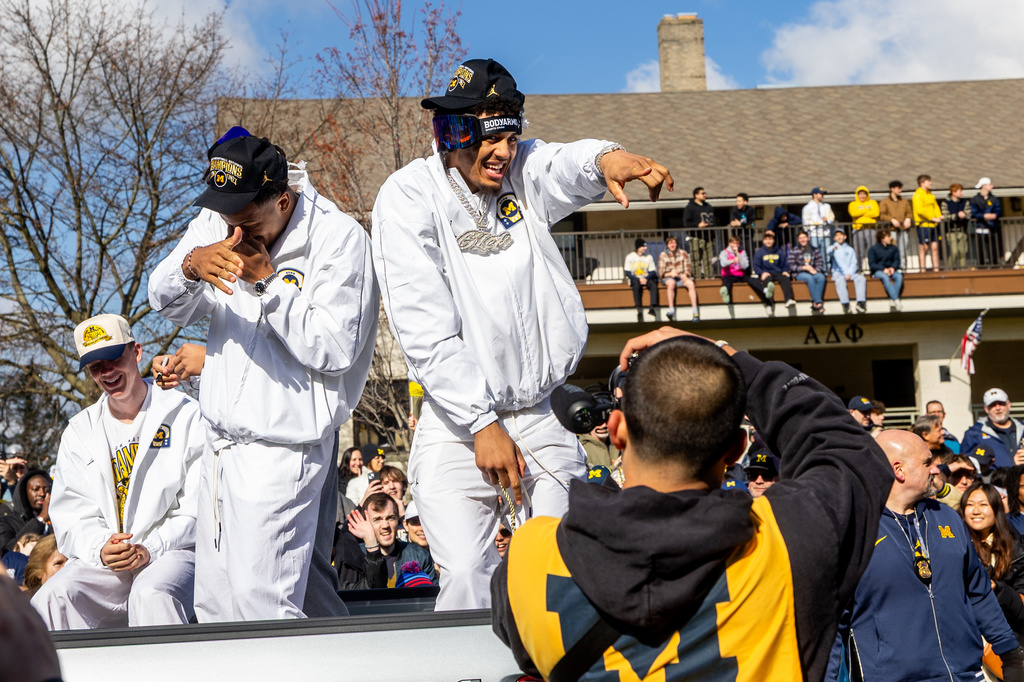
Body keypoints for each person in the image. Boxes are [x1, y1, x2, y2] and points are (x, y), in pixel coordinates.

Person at [371, 58, 672, 611]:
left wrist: (608, 157)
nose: (505, 153)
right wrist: (481, 422)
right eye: (491, 139)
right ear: (455, 132)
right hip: (456, 421)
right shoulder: (408, 196)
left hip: (541, 412)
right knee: (464, 572)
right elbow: (423, 326)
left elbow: (562, 163)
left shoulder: (521, 175)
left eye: (512, 136)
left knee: (561, 567)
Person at [492, 327, 894, 681]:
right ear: (737, 449)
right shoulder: (790, 538)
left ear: (616, 431)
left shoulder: (528, 560)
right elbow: (845, 447)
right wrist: (728, 357)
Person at [148, 127, 379, 621]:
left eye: (248, 222)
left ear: (282, 197)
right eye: (227, 219)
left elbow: (336, 347)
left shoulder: (339, 240)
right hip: (219, 448)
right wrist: (191, 264)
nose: (235, 234)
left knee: (264, 607)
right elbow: (163, 301)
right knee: (216, 607)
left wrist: (267, 284)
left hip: (283, 451)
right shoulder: (220, 219)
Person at [31, 314, 203, 630]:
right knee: (52, 597)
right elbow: (73, 516)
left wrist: (151, 548)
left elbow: (198, 510)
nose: (107, 372)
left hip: (174, 551)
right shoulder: (80, 430)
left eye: (113, 358)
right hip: (110, 562)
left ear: (136, 352)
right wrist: (101, 547)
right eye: (96, 366)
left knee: (152, 593)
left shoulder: (183, 413)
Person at [832, 430, 1024, 681]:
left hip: (964, 674)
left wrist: (1009, 652)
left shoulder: (947, 517)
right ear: (898, 470)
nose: (936, 470)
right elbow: (832, 622)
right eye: (926, 463)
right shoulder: (854, 527)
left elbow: (978, 592)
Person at [961, 483, 1024, 646]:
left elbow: (1021, 605)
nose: (976, 511)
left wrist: (998, 589)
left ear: (996, 509)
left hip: (1007, 637)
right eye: (970, 505)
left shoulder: (1016, 548)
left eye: (983, 505)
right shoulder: (953, 545)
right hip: (966, 638)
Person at [346, 493, 437, 589]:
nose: (385, 525)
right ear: (366, 524)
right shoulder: (354, 557)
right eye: (377, 520)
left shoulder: (419, 555)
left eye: (390, 518)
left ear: (398, 520)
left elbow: (432, 598)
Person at [962, 388, 1024, 470]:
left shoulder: (1022, 428)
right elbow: (967, 466)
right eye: (993, 405)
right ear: (986, 409)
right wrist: (1012, 464)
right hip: (994, 481)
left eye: (1001, 403)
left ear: (1009, 405)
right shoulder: (974, 434)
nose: (997, 408)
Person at [718, 234, 771, 316]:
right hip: (729, 274)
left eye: (737, 244)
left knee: (752, 280)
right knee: (727, 282)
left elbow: (745, 266)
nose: (736, 245)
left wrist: (738, 255)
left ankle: (765, 290)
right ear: (730, 243)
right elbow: (723, 263)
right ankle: (726, 295)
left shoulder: (742, 252)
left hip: (740, 274)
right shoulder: (724, 252)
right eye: (734, 243)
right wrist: (732, 261)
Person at [0, 470, 51, 554]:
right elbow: (6, 552)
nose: (42, 493)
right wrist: (41, 519)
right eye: (36, 489)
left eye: (46, 490)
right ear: (24, 493)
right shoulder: (5, 522)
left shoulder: (55, 522)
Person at [657, 235, 699, 321]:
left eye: (674, 243)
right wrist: (670, 273)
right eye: (670, 243)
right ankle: (671, 310)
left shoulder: (683, 253)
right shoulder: (663, 255)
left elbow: (687, 268)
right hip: (669, 277)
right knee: (671, 283)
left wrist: (685, 274)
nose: (672, 245)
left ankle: (695, 312)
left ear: (677, 244)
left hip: (681, 276)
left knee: (691, 284)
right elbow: (661, 273)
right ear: (667, 245)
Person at [751, 230, 796, 309]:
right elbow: (756, 266)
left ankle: (789, 300)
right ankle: (769, 304)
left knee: (785, 279)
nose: (768, 241)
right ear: (763, 241)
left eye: (770, 239)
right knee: (767, 283)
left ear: (774, 240)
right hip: (767, 274)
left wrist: (785, 271)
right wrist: (762, 273)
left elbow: (785, 263)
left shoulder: (779, 251)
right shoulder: (759, 253)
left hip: (778, 273)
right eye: (766, 239)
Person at [828, 227, 866, 314]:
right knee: (840, 280)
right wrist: (833, 248)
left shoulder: (850, 249)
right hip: (839, 274)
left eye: (840, 235)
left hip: (850, 273)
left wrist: (849, 273)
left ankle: (860, 303)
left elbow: (854, 263)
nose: (839, 237)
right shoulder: (833, 248)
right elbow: (827, 252)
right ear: (834, 238)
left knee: (861, 278)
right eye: (837, 236)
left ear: (845, 236)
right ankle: (845, 304)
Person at [788, 230, 827, 314]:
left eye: (804, 237)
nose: (803, 240)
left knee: (821, 277)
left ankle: (814, 301)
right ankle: (819, 302)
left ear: (808, 238)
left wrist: (816, 270)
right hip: (799, 273)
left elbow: (820, 262)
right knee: (809, 278)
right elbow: (791, 266)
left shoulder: (814, 250)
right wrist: (804, 267)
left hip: (813, 272)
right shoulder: (794, 251)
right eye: (800, 238)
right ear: (798, 240)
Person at [877, 180, 913, 269]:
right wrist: (892, 220)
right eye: (898, 188)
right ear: (892, 189)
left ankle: (903, 268)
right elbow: (882, 215)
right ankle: (894, 267)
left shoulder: (904, 201)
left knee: (903, 250)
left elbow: (909, 212)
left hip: (903, 229)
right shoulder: (885, 202)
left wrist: (908, 219)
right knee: (892, 249)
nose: (900, 190)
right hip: (891, 230)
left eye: (900, 188)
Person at [682, 187, 717, 278]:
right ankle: (697, 278)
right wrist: (698, 225)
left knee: (708, 260)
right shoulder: (690, 207)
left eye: (705, 193)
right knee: (696, 259)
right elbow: (686, 223)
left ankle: (709, 277)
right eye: (702, 193)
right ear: (696, 195)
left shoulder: (708, 206)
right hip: (696, 238)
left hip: (709, 237)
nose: (705, 195)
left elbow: (714, 221)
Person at [912, 174, 942, 272]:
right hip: (923, 225)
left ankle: (936, 269)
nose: (931, 183)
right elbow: (920, 210)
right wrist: (932, 218)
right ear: (922, 183)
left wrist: (939, 216)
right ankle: (923, 269)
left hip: (933, 225)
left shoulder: (930, 195)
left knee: (934, 247)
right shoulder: (918, 195)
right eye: (928, 181)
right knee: (924, 247)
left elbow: (935, 206)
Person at [624, 238, 659, 322]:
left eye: (645, 246)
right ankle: (639, 309)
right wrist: (638, 278)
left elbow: (653, 271)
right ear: (638, 247)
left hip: (646, 278)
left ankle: (652, 307)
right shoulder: (630, 257)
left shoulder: (648, 257)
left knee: (653, 284)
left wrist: (645, 278)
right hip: (635, 278)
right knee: (636, 286)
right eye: (643, 246)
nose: (645, 248)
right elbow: (627, 272)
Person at [868, 229, 903, 311]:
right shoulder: (873, 249)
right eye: (888, 236)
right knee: (884, 277)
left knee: (899, 276)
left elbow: (897, 260)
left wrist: (893, 267)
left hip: (892, 270)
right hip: (879, 271)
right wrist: (883, 269)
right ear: (883, 239)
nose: (891, 238)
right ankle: (896, 299)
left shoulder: (893, 248)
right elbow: (872, 264)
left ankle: (892, 299)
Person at [802, 187, 836, 272]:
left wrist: (827, 220)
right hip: (814, 235)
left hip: (825, 234)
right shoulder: (807, 208)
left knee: (827, 254)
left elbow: (832, 218)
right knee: (815, 254)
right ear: (814, 195)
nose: (822, 196)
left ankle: (826, 271)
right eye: (821, 194)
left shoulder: (827, 206)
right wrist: (814, 226)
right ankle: (817, 271)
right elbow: (805, 222)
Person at [971, 177, 1002, 266]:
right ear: (984, 186)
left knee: (993, 248)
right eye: (990, 184)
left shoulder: (994, 199)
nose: (992, 186)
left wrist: (994, 215)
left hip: (992, 227)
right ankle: (981, 265)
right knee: (980, 249)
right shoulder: (975, 199)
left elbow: (998, 210)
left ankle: (994, 265)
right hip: (980, 227)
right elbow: (973, 212)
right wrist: (983, 216)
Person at [847, 185, 879, 269]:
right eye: (860, 194)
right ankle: (858, 270)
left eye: (864, 194)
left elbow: (876, 213)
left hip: (870, 229)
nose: (862, 196)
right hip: (858, 229)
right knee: (858, 251)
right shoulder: (853, 204)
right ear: (857, 195)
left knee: (872, 251)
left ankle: (874, 269)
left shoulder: (873, 202)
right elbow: (854, 213)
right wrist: (867, 209)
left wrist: (861, 213)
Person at [943, 183, 970, 270]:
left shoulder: (965, 202)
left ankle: (963, 270)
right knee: (954, 252)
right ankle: (949, 269)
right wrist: (957, 216)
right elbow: (945, 216)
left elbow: (969, 214)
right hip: (951, 231)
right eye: (960, 191)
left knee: (962, 252)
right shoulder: (946, 202)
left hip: (962, 230)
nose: (961, 193)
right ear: (953, 192)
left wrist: (964, 215)